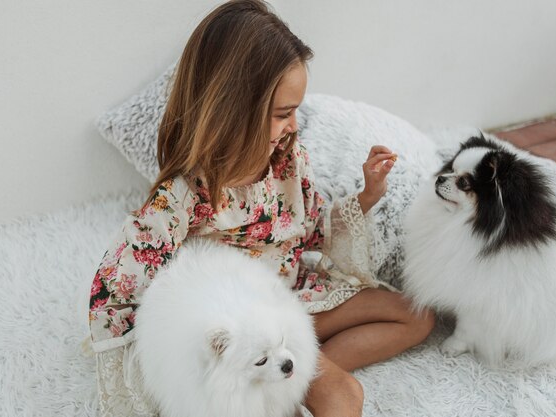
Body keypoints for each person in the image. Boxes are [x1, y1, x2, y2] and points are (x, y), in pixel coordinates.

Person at [88, 1, 435, 416]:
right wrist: (142, 377)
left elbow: (311, 233)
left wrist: (367, 196)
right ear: (236, 111)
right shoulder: (182, 194)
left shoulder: (287, 158)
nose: (293, 125)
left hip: (297, 294)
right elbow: (115, 290)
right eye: (283, 114)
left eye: (295, 112)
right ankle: (296, 376)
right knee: (343, 396)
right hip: (245, 325)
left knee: (417, 316)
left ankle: (294, 374)